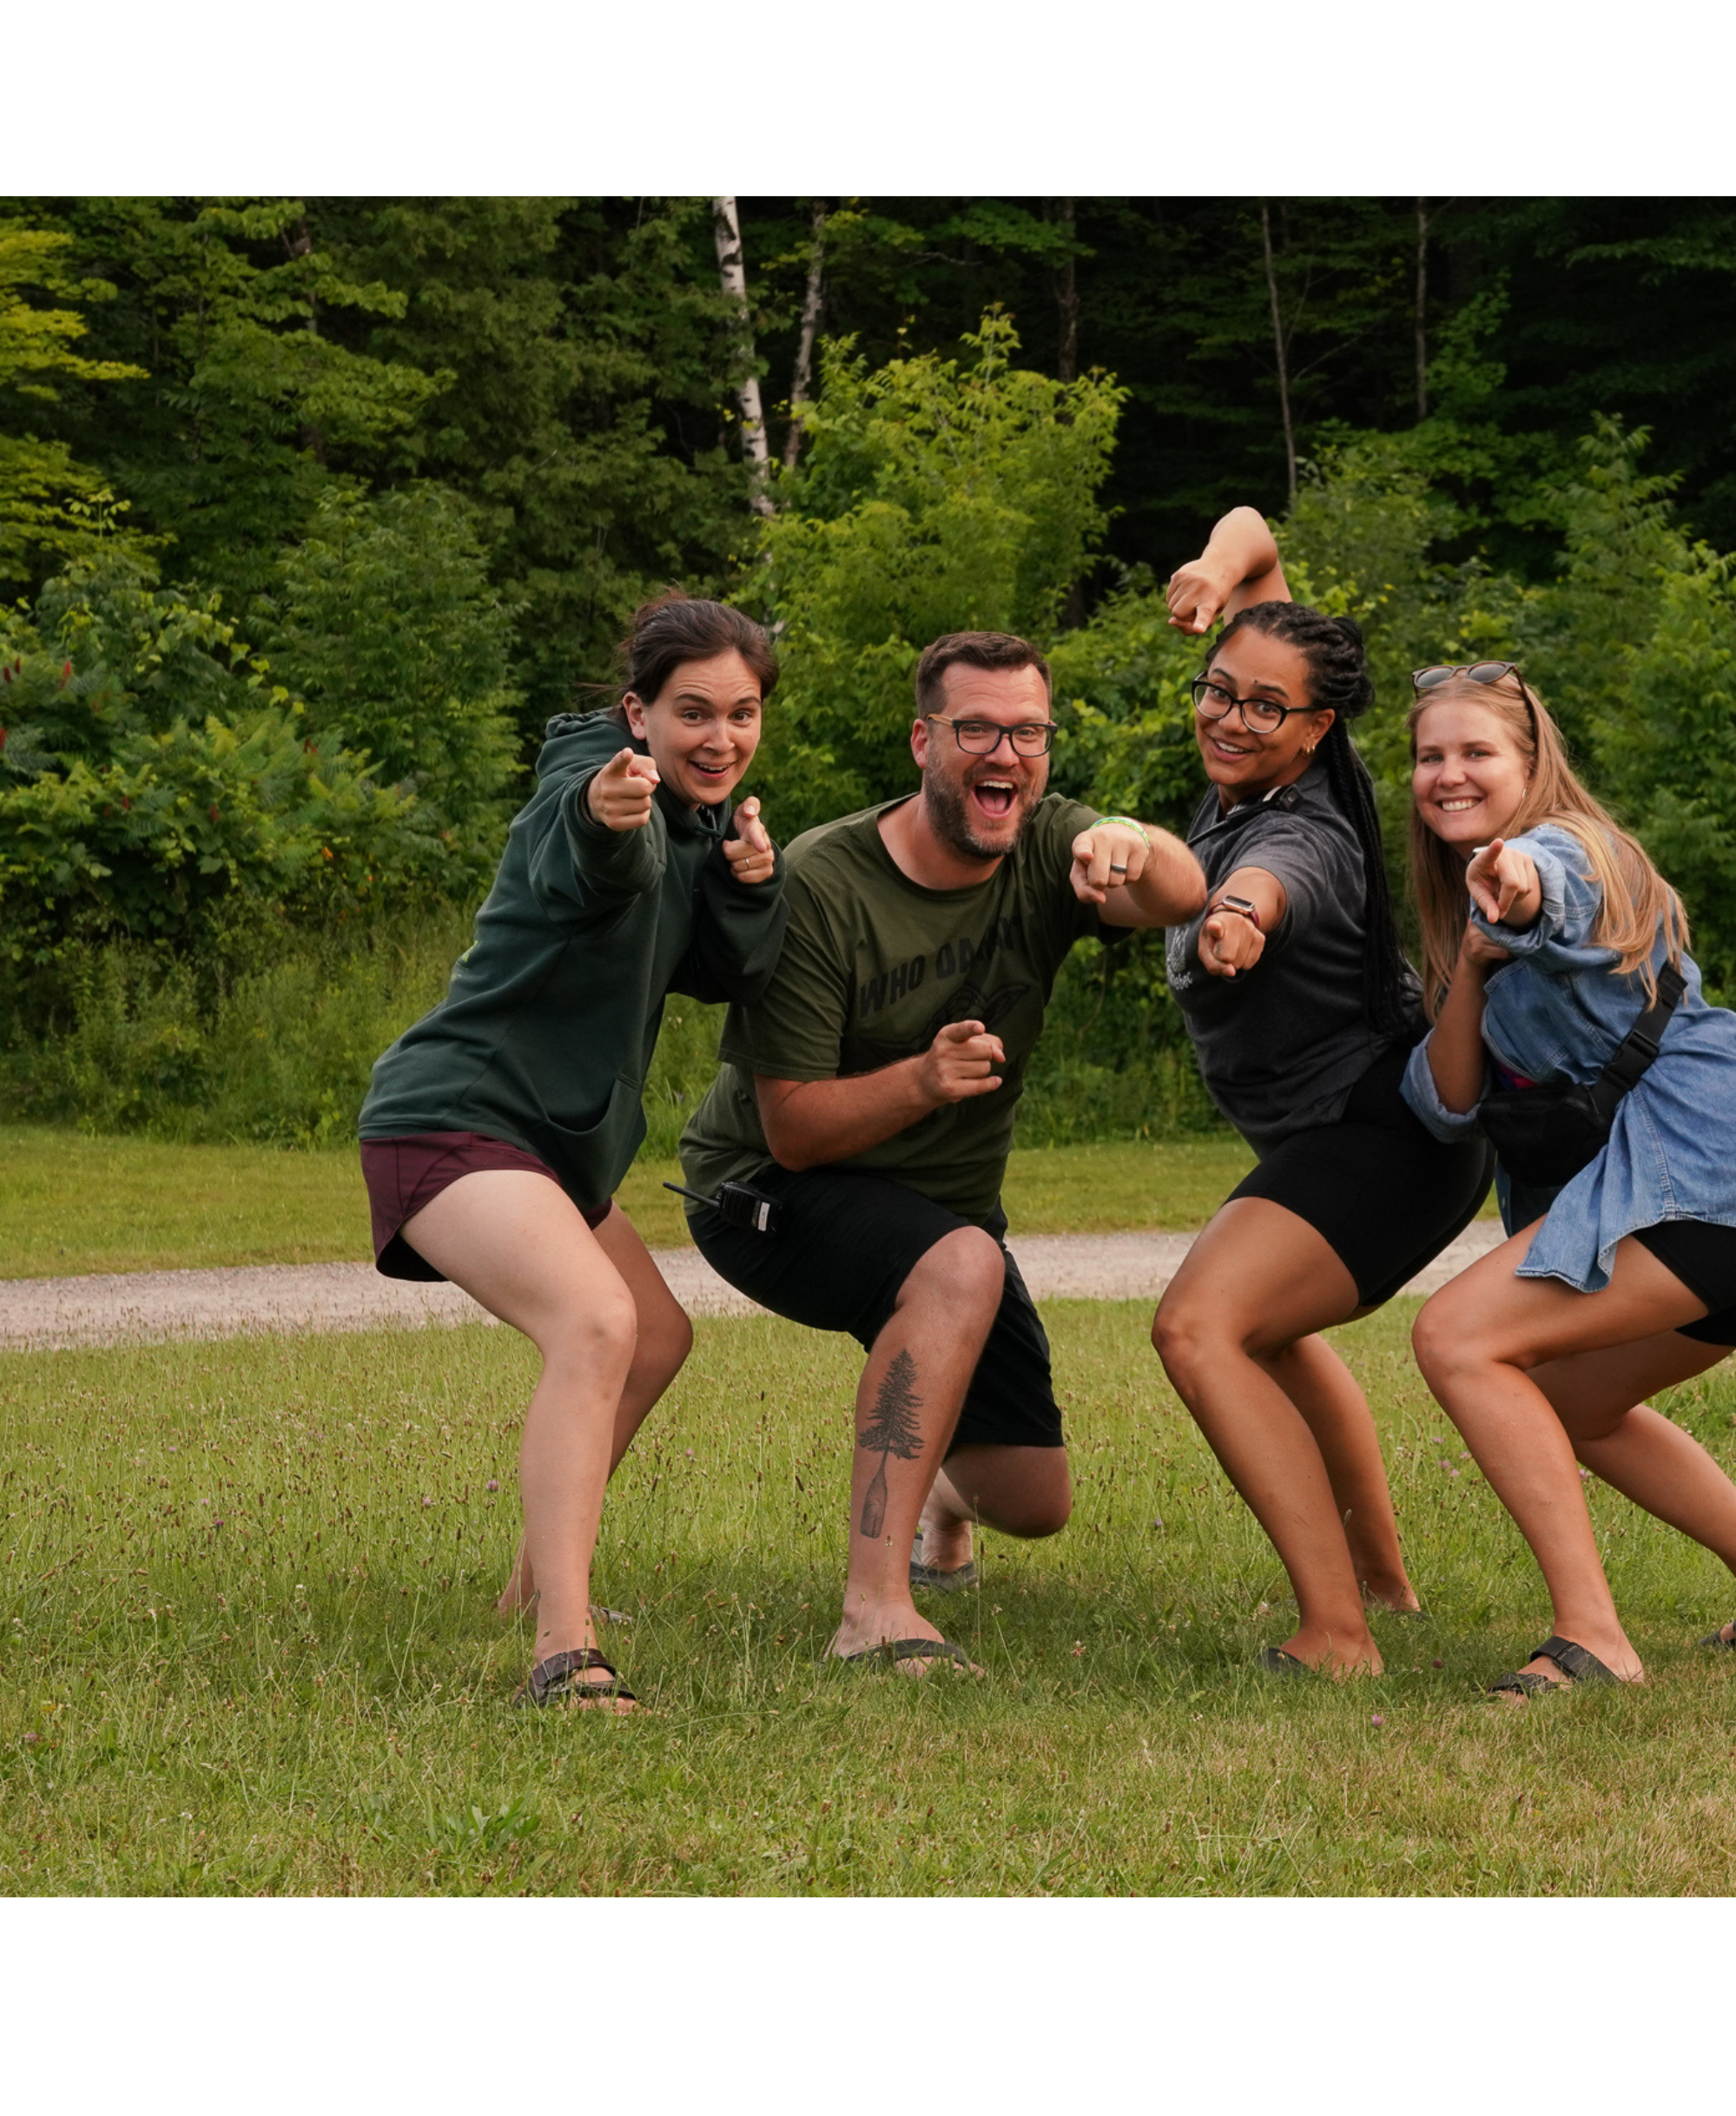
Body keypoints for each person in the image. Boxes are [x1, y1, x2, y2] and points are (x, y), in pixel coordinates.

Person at [678, 630, 1205, 1674]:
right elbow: (791, 1125)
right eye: (975, 729)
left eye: (1027, 732)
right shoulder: (822, 883)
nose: (1002, 753)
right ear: (924, 742)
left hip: (945, 1209)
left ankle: (941, 1512)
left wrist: (1133, 838)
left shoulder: (1053, 841)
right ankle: (873, 1612)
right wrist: (923, 1079)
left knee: (1035, 1501)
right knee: (956, 1262)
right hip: (772, 1192)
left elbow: (1182, 897)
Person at [358, 594, 786, 1711]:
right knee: (595, 1323)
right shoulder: (591, 787)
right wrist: (608, 815)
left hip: (543, 1144)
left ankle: (531, 1588)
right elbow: (591, 861)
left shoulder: (703, 825)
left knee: (653, 1336)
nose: (721, 738)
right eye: (693, 712)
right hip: (455, 1112)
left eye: (742, 714)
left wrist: (748, 886)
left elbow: (720, 969)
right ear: (635, 712)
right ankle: (563, 1649)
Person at [1400, 664, 1736, 1699]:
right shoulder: (1458, 923)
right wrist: (1469, 966)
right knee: (1574, 1399)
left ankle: (1593, 1637)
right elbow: (1446, 1099)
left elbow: (1545, 886)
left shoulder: (1578, 849)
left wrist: (1511, 885)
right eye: (1431, 755)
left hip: (1716, 1167)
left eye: (1478, 753)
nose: (1449, 773)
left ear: (1531, 763)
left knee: (1456, 1337)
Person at [1145, 511, 1494, 1679]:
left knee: (1198, 1327)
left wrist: (1235, 917)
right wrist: (1213, 568)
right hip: (1367, 1134)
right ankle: (1383, 1586)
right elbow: (1258, 533)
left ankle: (1336, 1632)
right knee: (1271, 1333)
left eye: (1261, 706)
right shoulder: (1280, 757)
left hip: (1379, 1140)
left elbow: (1267, 884)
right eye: (1218, 690)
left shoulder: (1306, 834)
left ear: (1316, 728)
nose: (1229, 716)